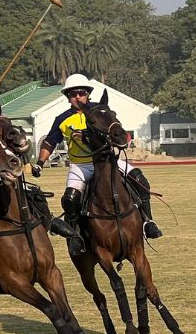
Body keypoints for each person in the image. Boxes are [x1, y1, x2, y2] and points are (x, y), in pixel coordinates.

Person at [33, 74, 162, 256]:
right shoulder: (62, 119)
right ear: (67, 97)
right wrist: (39, 163)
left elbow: (114, 129)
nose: (77, 97)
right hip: (81, 165)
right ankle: (74, 236)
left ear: (88, 94)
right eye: (73, 94)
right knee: (70, 199)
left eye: (81, 93)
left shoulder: (100, 111)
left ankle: (148, 222)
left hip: (107, 161)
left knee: (140, 179)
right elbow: (49, 142)